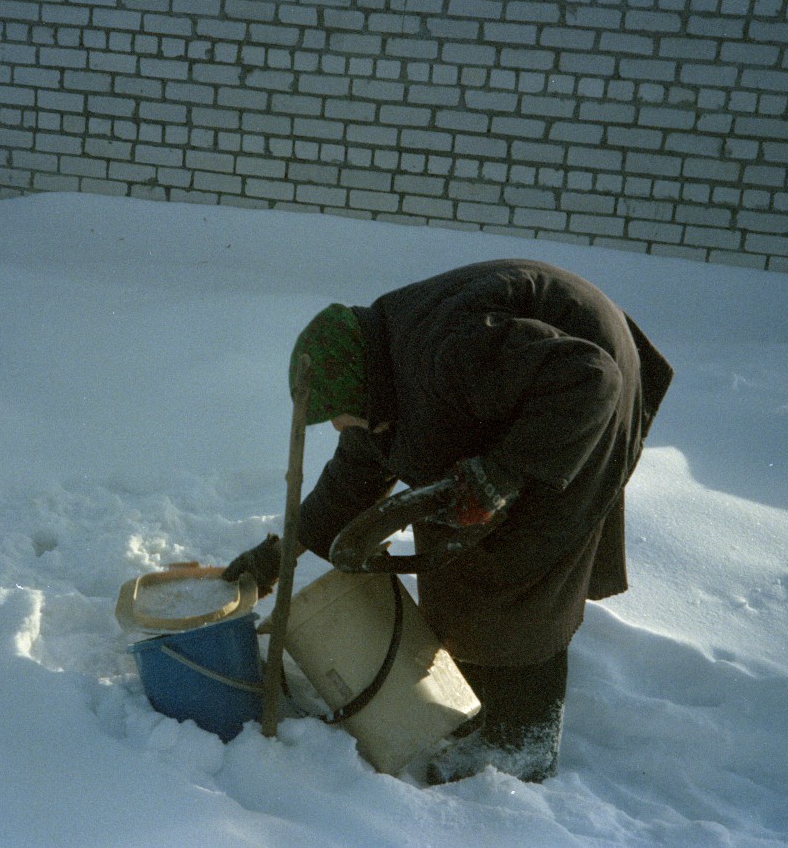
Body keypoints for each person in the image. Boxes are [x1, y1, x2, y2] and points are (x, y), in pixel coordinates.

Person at [222, 259, 673, 784]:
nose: (340, 426)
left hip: (582, 395)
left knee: (521, 567)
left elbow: (592, 377)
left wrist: (500, 474)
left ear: (360, 385)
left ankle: (523, 740)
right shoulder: (381, 371)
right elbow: (353, 477)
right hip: (527, 388)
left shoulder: (450, 353)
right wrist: (278, 554)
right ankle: (480, 703)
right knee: (454, 550)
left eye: (340, 412)